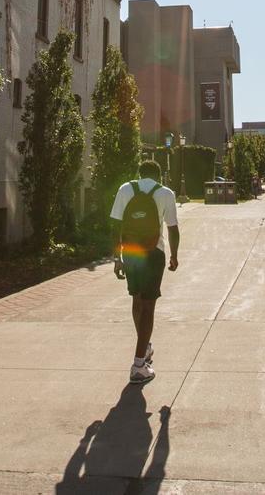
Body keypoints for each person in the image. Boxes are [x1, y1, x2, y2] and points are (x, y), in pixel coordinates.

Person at [110, 160, 180, 384]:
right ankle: (139, 365)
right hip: (153, 253)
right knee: (149, 305)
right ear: (158, 176)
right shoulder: (165, 193)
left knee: (137, 300)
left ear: (139, 174)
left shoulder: (125, 189)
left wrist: (116, 257)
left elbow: (115, 225)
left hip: (131, 253)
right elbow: (172, 228)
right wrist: (174, 256)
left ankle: (145, 345)